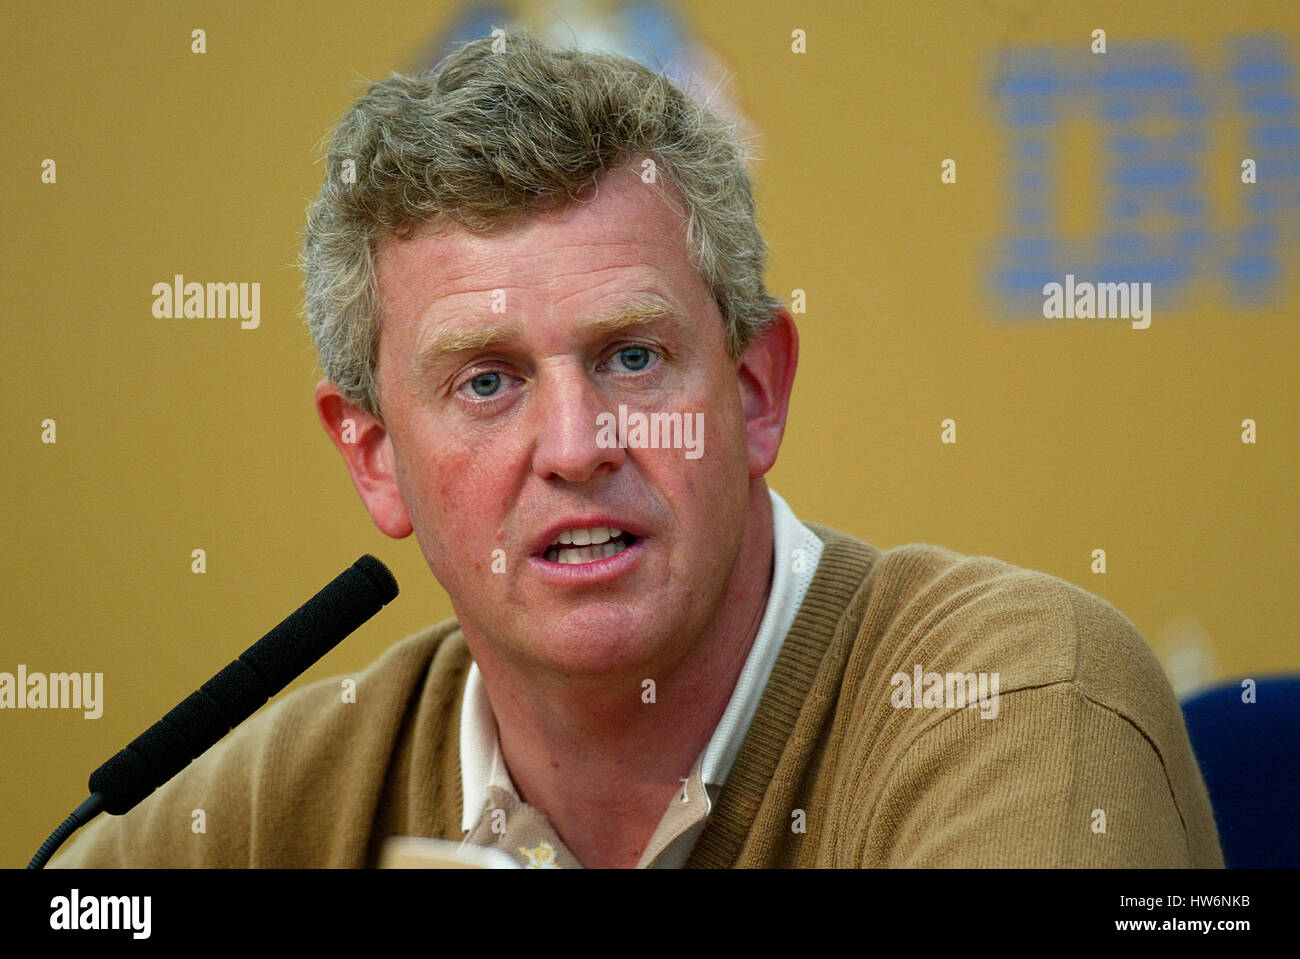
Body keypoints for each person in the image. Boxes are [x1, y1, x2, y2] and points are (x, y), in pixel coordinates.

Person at [51, 31, 1222, 869]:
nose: (574, 446)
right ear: (373, 457)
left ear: (755, 390)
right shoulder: (273, 800)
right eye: (488, 380)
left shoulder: (1010, 698)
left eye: (629, 358)